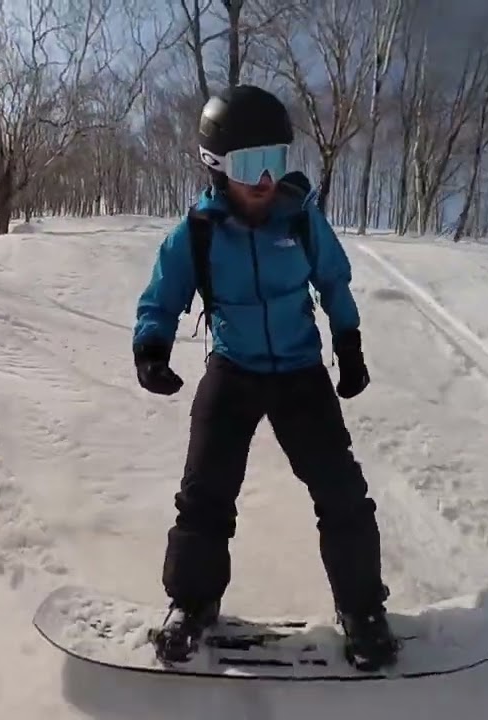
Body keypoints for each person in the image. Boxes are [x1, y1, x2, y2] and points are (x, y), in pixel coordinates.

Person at [130, 85, 398, 671]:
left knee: (342, 493)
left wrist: (347, 344)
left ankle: (362, 609)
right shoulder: (196, 233)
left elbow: (333, 281)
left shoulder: (300, 219)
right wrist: (151, 348)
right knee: (205, 493)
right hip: (234, 368)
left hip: (300, 372)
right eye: (251, 165)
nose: (265, 179)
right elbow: (161, 297)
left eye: (275, 160)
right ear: (217, 166)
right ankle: (192, 604)